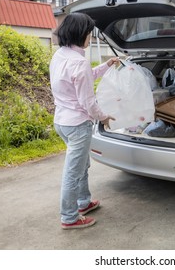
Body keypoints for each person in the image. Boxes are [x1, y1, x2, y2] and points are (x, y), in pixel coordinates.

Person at [50, 12, 119, 230]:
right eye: (90, 33)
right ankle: (69, 217)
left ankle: (84, 202)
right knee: (73, 171)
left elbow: (85, 76)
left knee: (81, 165)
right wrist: (104, 117)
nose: (91, 37)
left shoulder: (60, 55)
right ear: (82, 34)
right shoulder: (78, 62)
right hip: (78, 124)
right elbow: (88, 102)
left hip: (62, 121)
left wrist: (107, 65)